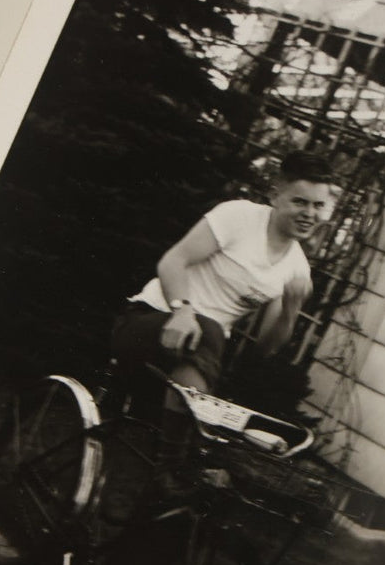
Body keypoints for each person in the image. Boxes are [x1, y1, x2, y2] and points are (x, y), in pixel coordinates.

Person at [110, 149, 336, 468]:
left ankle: (165, 486)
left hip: (196, 354)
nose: (309, 214)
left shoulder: (297, 267)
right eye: (299, 201)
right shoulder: (238, 217)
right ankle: (170, 469)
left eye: (318, 205)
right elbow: (173, 260)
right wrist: (182, 310)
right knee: (211, 331)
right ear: (275, 195)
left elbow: (264, 349)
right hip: (147, 322)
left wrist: (290, 310)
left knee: (209, 340)